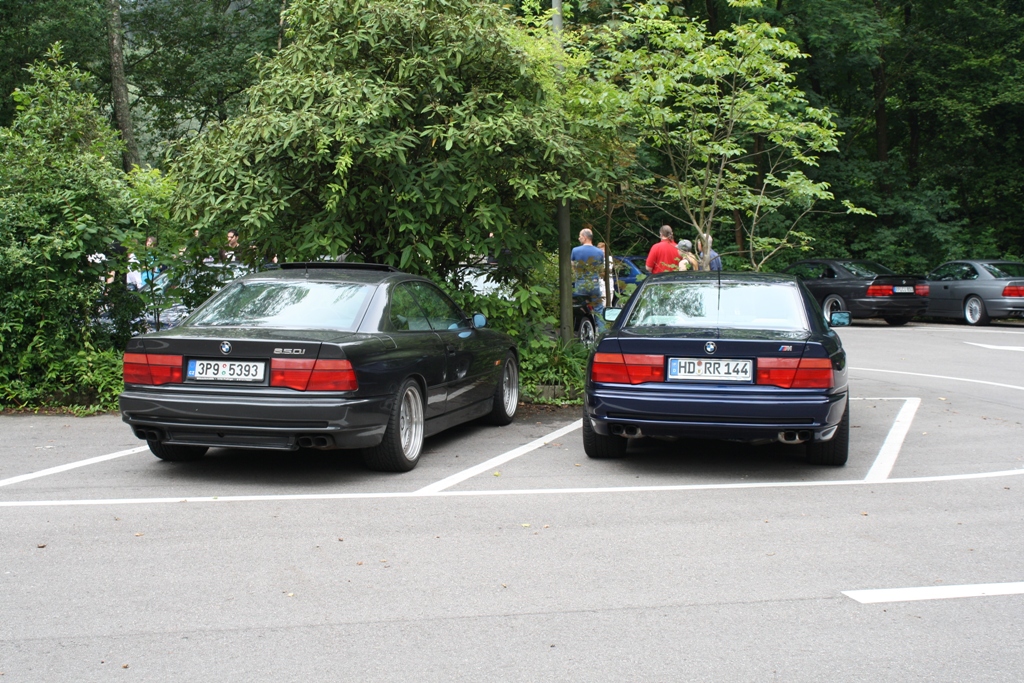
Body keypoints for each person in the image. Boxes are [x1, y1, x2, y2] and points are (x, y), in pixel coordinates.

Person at [571, 228, 605, 314]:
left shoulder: (575, 250)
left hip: (580, 283)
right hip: (594, 282)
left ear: (585, 237)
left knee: (580, 308)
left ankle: (584, 320)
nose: (579, 238)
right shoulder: (599, 252)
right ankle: (600, 323)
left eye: (580, 236)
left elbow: (572, 266)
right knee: (598, 308)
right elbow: (601, 269)